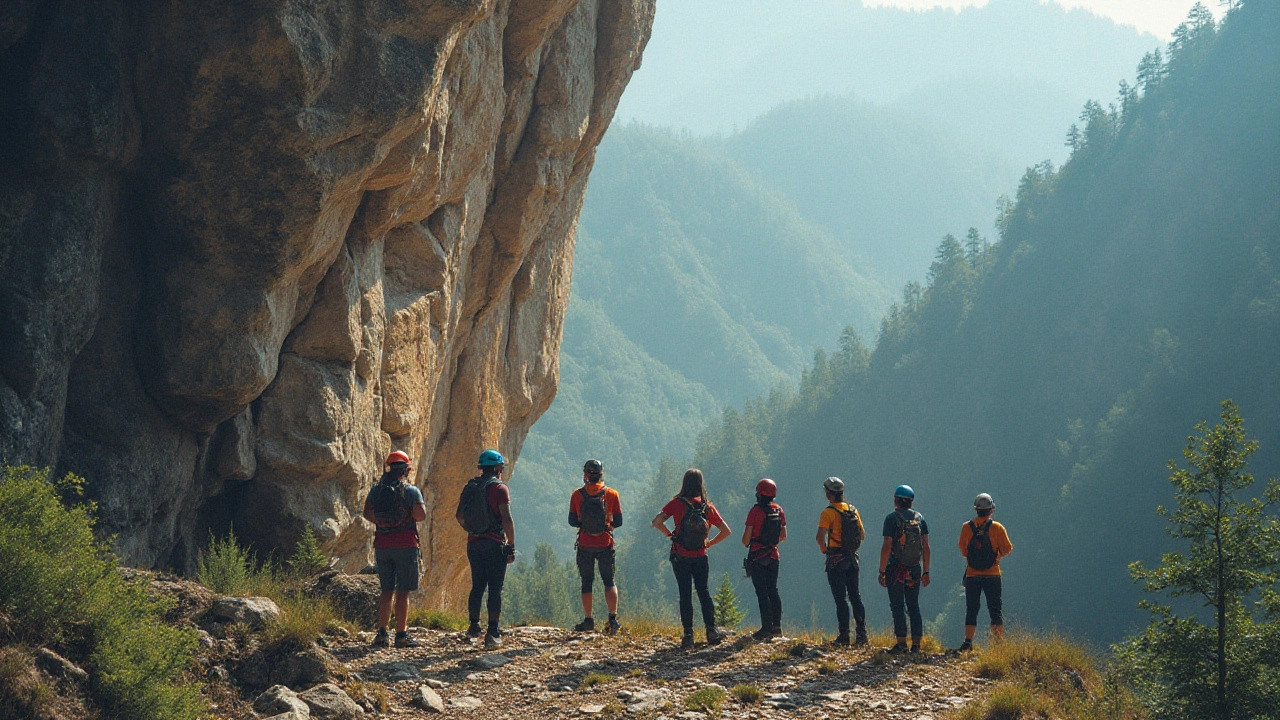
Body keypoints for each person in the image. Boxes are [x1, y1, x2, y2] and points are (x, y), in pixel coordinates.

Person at [651, 468, 731, 649]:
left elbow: (656, 521)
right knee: (704, 592)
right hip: (701, 556)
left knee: (685, 594)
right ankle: (711, 630)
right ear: (701, 484)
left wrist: (671, 536)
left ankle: (688, 636)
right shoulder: (707, 507)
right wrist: (708, 543)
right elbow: (726, 531)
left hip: (680, 555)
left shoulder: (677, 503)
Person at [363, 450, 428, 648]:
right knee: (403, 592)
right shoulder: (410, 491)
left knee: (386, 590)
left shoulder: (376, 490)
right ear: (406, 469)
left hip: (382, 545)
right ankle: (401, 634)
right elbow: (420, 515)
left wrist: (385, 524)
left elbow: (367, 513)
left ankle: (382, 633)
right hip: (405, 545)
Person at [455, 449, 516, 650]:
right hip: (494, 542)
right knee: (495, 588)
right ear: (498, 467)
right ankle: (493, 632)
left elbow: (460, 516)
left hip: (474, 542)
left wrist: (473, 529)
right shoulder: (500, 489)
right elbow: (506, 518)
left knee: (477, 585)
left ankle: (473, 627)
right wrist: (511, 544)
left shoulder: (470, 487)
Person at [568, 459, 623, 634]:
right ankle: (613, 619)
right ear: (601, 474)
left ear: (585, 475)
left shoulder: (577, 495)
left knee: (586, 582)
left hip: (585, 543)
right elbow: (619, 521)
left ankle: (588, 619)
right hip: (605, 543)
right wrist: (606, 526)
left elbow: (572, 521)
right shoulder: (612, 494)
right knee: (609, 581)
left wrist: (585, 524)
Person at [956, 493, 1013, 652]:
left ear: (976, 510)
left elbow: (963, 550)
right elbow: (1007, 549)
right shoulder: (997, 528)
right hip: (993, 575)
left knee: (972, 608)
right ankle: (997, 642)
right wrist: (996, 555)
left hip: (973, 575)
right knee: (995, 609)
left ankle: (968, 642)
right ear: (991, 509)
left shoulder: (966, 527)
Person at [877, 484, 931, 653]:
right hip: (914, 569)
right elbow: (926, 547)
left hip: (895, 570)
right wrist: (926, 571)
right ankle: (916, 645)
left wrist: (882, 570)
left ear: (896, 500)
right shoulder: (920, 518)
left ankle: (901, 644)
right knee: (913, 606)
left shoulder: (891, 519)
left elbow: (887, 545)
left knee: (898, 605)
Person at [816, 477, 868, 646]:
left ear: (828, 494)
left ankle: (844, 635)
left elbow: (819, 537)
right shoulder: (853, 510)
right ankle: (862, 635)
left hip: (836, 561)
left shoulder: (828, 513)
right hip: (853, 559)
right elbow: (862, 535)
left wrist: (825, 550)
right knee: (855, 597)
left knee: (841, 599)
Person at [742, 478, 786, 640]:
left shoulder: (755, 512)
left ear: (759, 493)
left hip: (757, 557)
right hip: (774, 556)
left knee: (762, 592)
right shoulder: (779, 510)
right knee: (773, 590)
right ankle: (777, 627)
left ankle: (765, 628)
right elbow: (783, 536)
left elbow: (746, 540)